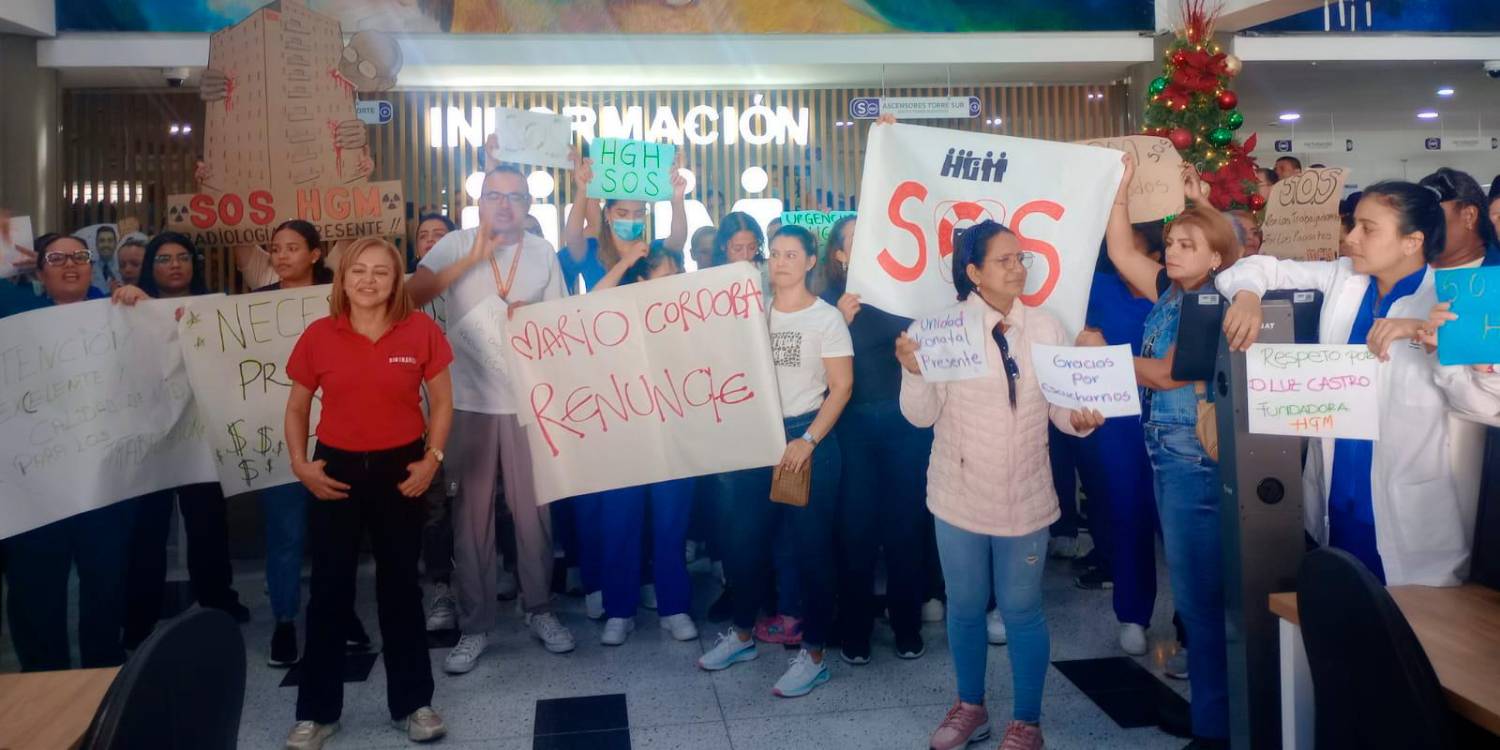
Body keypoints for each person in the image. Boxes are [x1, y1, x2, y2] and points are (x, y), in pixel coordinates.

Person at [1219, 181, 1496, 587]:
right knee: (1340, 602)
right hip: (1336, 496)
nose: (1350, 239)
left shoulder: (1447, 302)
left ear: (1412, 241)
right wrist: (1246, 297)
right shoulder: (1344, 277)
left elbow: (1485, 405)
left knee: (1405, 618)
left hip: (1406, 512)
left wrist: (1434, 339)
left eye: (1368, 229)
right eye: (1353, 225)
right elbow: (1256, 267)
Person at [903, 220, 1102, 750]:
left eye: (1021, 259)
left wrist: (1080, 419)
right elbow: (920, 416)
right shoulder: (939, 331)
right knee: (965, 607)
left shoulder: (1046, 328)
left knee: (1022, 610)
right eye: (1004, 260)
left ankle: (1026, 722)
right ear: (974, 272)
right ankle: (971, 707)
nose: (1017, 269)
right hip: (959, 493)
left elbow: (1060, 409)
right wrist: (915, 371)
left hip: (1026, 495)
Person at [282, 237, 453, 749]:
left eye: (381, 271)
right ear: (343, 278)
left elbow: (442, 402)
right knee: (329, 589)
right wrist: (301, 465)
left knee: (400, 587)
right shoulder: (320, 335)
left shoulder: (420, 330)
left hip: (401, 470)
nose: (369, 280)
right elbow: (297, 407)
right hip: (334, 472)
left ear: (396, 280)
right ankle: (317, 712)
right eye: (358, 270)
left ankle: (413, 704)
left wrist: (431, 459)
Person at [407, 165, 575, 672]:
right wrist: (469, 262)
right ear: (479, 202)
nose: (505, 205)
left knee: (534, 514)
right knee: (470, 517)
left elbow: (562, 324)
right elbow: (411, 298)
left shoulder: (542, 252)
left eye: (515, 197)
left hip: (527, 402)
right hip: (468, 399)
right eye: (495, 196)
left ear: (529, 205)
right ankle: (475, 625)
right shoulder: (454, 244)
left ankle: (539, 609)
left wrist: (533, 318)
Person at [1105, 157, 1242, 750]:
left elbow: (1166, 373)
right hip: (1166, 449)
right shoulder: (1170, 289)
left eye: (1188, 245)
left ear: (1216, 259)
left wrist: (1102, 360)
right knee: (1196, 595)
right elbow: (1120, 251)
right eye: (1171, 242)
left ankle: (1216, 728)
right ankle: (1215, 714)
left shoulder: (1213, 303)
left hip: (1192, 458)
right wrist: (1119, 190)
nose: (1173, 251)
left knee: (1201, 600)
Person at [697, 225, 852, 699]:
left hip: (805, 437)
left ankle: (814, 654)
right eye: (776, 254)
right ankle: (743, 633)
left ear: (810, 261)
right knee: (742, 543)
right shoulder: (753, 312)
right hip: (755, 438)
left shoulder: (826, 318)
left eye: (792, 255)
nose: (780, 263)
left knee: (811, 549)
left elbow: (841, 387)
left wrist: (807, 440)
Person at [1, 234, 133, 673]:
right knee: (34, 591)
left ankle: (103, 675)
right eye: (57, 258)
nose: (70, 265)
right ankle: (44, 681)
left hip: (102, 485)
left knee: (105, 584)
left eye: (80, 256)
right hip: (34, 488)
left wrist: (143, 304)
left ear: (92, 265)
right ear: (39, 271)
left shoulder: (121, 312)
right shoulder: (15, 319)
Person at [112, 233, 251, 647]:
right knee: (147, 531)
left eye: (182, 257)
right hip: (150, 438)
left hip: (200, 437)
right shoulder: (130, 308)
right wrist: (130, 304)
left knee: (208, 527)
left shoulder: (215, 308)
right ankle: (139, 616)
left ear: (194, 263)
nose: (174, 265)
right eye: (164, 259)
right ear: (149, 266)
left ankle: (218, 601)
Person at [569, 237, 698, 646]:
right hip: (623, 436)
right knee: (619, 524)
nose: (674, 281)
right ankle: (619, 611)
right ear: (641, 280)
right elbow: (588, 304)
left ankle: (674, 608)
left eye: (678, 274)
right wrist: (625, 262)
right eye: (666, 275)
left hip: (674, 435)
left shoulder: (690, 314)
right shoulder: (616, 314)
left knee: (671, 524)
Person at [819, 214, 936, 663]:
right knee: (856, 530)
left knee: (906, 527)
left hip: (906, 425)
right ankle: (855, 630)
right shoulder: (826, 303)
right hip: (851, 429)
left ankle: (907, 626)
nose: (865, 245)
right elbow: (811, 371)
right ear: (839, 255)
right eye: (854, 240)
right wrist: (837, 323)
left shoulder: (905, 294)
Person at [246, 220, 346, 668]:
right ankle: (284, 621)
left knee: (337, 535)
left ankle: (339, 616)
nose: (282, 256)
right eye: (275, 249)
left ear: (315, 253)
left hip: (339, 432)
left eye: (292, 247)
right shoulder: (252, 307)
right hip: (279, 439)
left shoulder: (340, 300)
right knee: (285, 534)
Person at [1074, 224, 1163, 656]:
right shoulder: (1095, 287)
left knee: (1183, 530)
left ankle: (1191, 629)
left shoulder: (1174, 292)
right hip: (1115, 423)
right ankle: (1133, 614)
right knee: (1127, 515)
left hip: (1175, 422)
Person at [409, 212, 461, 632]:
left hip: (479, 411)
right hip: (426, 420)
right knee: (435, 508)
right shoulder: (403, 294)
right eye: (423, 236)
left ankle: (511, 579)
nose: (430, 242)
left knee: (488, 501)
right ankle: (441, 590)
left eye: (439, 235)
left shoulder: (477, 282)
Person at [559, 147, 687, 294]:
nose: (631, 219)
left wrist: (677, 200)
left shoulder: (651, 252)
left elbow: (678, 239)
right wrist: (583, 191)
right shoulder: (592, 252)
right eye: (622, 213)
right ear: (608, 213)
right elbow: (573, 236)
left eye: (639, 213)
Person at [1418, 168, 1500, 268]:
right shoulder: (1407, 274)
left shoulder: (1495, 272)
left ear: (1469, 216)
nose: (1418, 223)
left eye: (1430, 212)